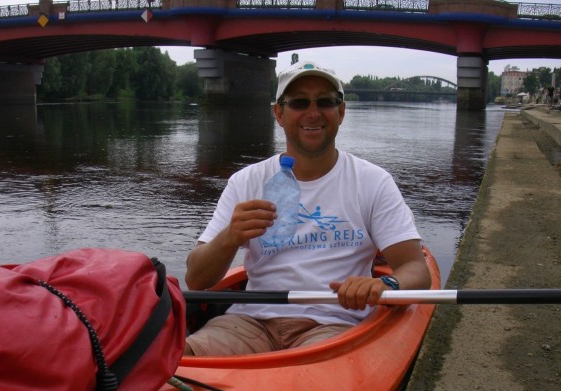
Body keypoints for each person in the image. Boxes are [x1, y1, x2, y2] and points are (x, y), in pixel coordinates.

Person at [184, 60, 432, 356]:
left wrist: (386, 284)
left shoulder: (373, 181)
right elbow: (196, 279)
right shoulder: (245, 181)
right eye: (299, 102)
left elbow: (417, 269)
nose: (313, 113)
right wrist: (229, 237)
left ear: (341, 111)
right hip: (249, 323)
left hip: (333, 325)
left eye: (325, 102)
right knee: (177, 362)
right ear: (279, 113)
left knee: (306, 385)